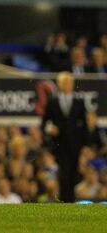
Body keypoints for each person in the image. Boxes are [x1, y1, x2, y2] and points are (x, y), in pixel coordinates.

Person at [41, 71, 87, 202]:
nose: (68, 85)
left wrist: (85, 145)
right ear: (59, 84)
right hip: (58, 144)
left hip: (75, 144)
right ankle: (63, 200)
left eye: (70, 82)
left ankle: (71, 200)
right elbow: (45, 122)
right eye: (65, 82)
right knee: (63, 173)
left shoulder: (79, 102)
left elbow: (84, 125)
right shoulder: (52, 102)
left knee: (73, 172)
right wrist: (50, 129)